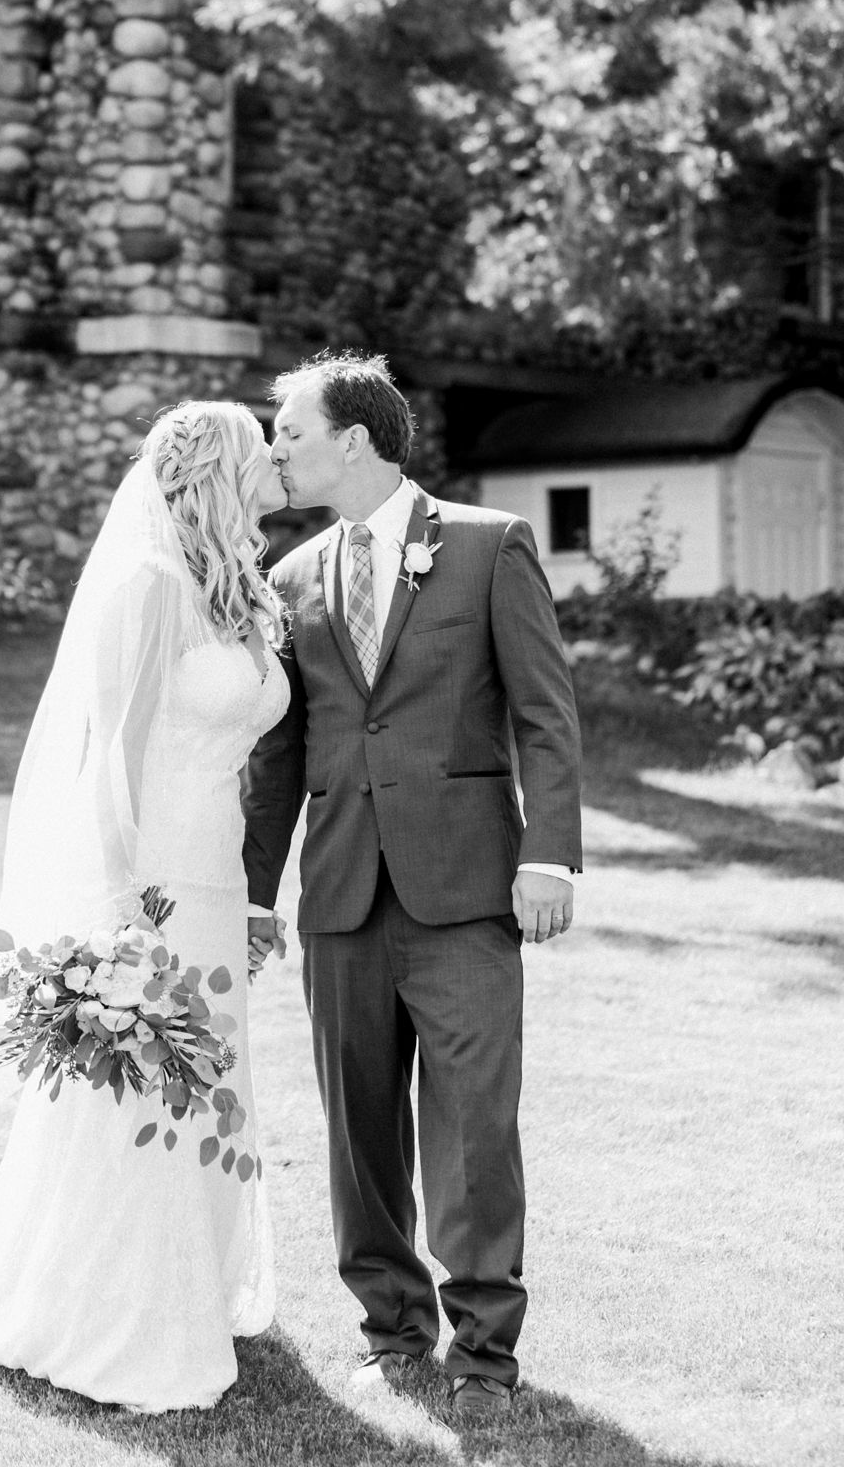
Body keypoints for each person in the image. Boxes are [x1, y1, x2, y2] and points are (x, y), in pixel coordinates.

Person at [0, 400, 291, 1412]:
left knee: (209, 1081)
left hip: (215, 875)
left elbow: (236, 758)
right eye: (260, 453)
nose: (273, 464)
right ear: (219, 471)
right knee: (142, 1092)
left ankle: (196, 1289)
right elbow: (104, 757)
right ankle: (119, 1310)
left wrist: (249, 895)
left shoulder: (233, 590)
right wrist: (122, 898)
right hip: (153, 878)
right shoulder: (146, 583)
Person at [242, 353, 582, 1419]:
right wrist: (254, 893)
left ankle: (484, 1352)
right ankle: (391, 1332)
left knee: (474, 1121)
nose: (275, 447)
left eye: (288, 429)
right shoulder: (291, 578)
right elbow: (280, 758)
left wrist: (547, 854)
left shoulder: (487, 547)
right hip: (340, 891)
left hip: (467, 889)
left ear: (353, 439)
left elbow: (543, 713)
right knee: (357, 1126)